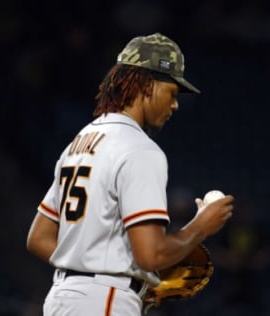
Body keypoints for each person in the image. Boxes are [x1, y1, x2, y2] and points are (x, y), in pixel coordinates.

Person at [26, 32, 235, 316]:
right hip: (104, 302)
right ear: (147, 84)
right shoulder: (140, 150)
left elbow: (39, 238)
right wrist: (201, 226)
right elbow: (152, 255)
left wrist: (90, 268)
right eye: (172, 92)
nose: (175, 104)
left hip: (63, 299)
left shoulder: (81, 141)